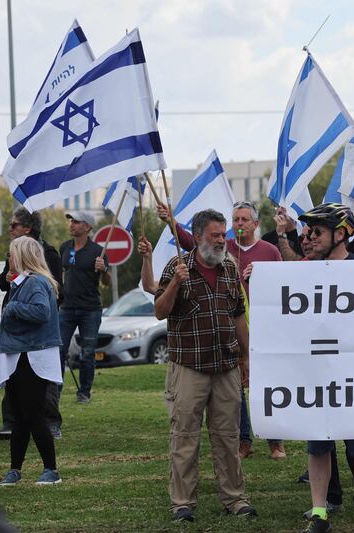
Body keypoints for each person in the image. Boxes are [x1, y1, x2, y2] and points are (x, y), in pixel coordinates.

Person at [163, 201, 287, 460]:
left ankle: (276, 441)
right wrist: (171, 222)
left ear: (255, 223)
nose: (239, 224)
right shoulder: (225, 251)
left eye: (244, 219)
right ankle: (244, 440)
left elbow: (285, 282)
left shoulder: (270, 250)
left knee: (267, 383)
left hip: (266, 325)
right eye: (236, 220)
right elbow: (191, 243)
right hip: (231, 332)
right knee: (237, 387)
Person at [154, 209, 256, 523]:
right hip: (188, 367)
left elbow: (237, 312)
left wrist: (246, 354)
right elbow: (160, 311)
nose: (223, 240)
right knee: (185, 437)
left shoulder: (229, 266)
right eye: (215, 234)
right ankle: (182, 503)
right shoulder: (177, 266)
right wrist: (175, 285)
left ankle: (235, 499)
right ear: (197, 237)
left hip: (226, 366)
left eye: (223, 233)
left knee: (227, 436)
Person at [296, 203, 354, 533]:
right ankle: (319, 512)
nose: (309, 237)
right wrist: (257, 280)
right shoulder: (302, 271)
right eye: (307, 232)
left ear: (341, 234)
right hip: (316, 374)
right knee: (317, 445)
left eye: (316, 231)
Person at [0, 236, 63, 486]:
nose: (8, 259)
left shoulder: (35, 282)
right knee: (20, 416)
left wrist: (12, 309)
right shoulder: (21, 283)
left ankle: (51, 470)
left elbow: (41, 312)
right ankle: (15, 469)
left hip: (32, 355)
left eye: (11, 255)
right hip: (18, 353)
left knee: (33, 414)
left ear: (22, 257)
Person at [58, 211, 109, 404]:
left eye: (76, 222)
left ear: (87, 227)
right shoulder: (65, 248)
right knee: (59, 350)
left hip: (90, 309)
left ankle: (84, 393)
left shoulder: (98, 251)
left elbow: (106, 282)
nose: (71, 224)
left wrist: (103, 270)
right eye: (71, 221)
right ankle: (56, 390)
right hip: (66, 308)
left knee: (87, 353)